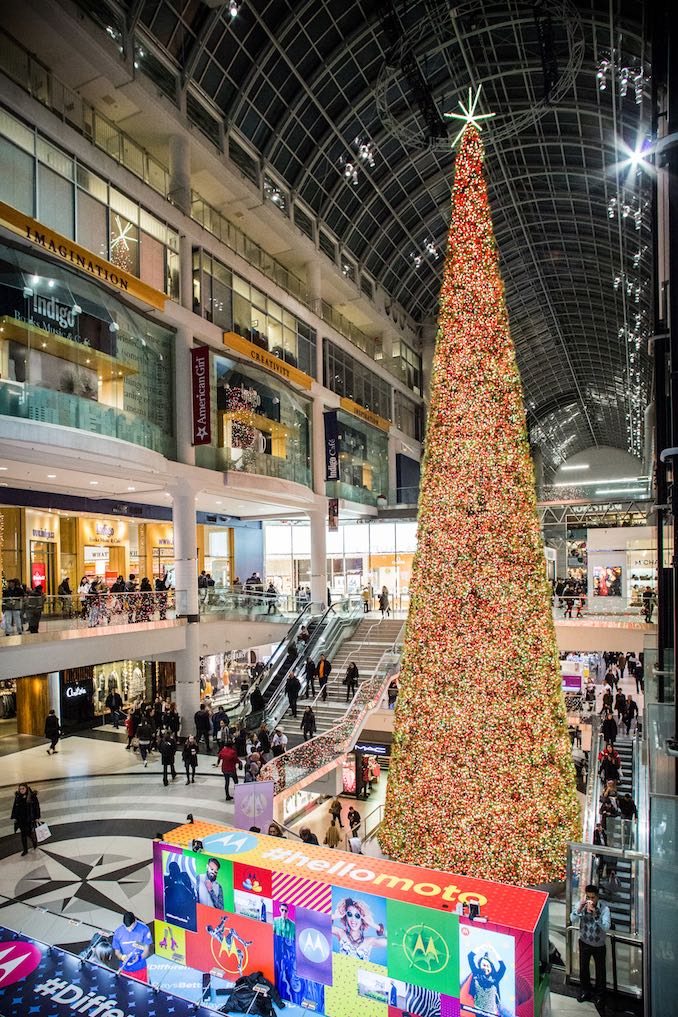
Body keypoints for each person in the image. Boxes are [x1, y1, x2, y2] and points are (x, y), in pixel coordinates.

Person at [570, 884, 611, 1005]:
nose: (591, 900)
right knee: (583, 968)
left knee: (600, 971)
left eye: (593, 897)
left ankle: (600, 995)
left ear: (597, 897)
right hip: (584, 942)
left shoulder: (604, 909)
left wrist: (596, 915)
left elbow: (606, 927)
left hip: (599, 945)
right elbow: (572, 919)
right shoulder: (580, 905)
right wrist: (578, 910)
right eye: (588, 897)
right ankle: (585, 991)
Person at [112, 911, 152, 983]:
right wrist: (122, 957)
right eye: (126, 928)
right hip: (124, 969)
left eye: (131, 927)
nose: (129, 930)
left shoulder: (144, 929)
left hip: (140, 968)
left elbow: (146, 950)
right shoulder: (118, 932)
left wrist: (139, 958)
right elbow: (117, 952)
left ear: (135, 921)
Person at [467, 944, 507, 1015]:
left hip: (491, 1013)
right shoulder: (476, 974)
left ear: (491, 968)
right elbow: (470, 956)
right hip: (478, 1009)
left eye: (488, 966)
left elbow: (503, 967)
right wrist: (481, 947)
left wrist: (494, 951)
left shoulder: (495, 978)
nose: (486, 967)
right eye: (483, 965)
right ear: (480, 966)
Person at [11, 783, 40, 856]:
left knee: (29, 833)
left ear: (26, 788)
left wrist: (37, 817)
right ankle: (25, 850)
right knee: (23, 835)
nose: (21, 790)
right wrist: (15, 817)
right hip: (21, 819)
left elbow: (36, 807)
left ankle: (34, 843)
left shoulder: (32, 796)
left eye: (23, 788)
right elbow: (15, 807)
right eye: (20, 789)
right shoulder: (18, 796)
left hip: (29, 819)